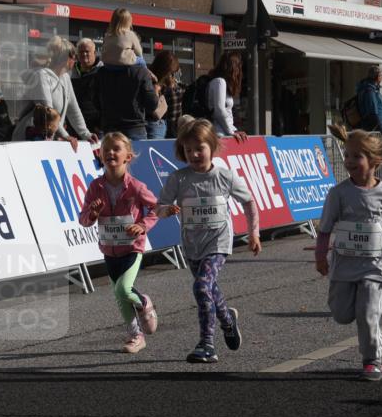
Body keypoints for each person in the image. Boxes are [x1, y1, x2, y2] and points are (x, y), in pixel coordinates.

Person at [156, 119, 261, 363]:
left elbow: (249, 202)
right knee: (209, 289)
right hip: (192, 244)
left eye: (199, 148)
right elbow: (159, 207)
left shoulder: (224, 176)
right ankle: (227, 319)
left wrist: (253, 233)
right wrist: (166, 210)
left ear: (212, 146)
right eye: (188, 149)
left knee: (202, 286)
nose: (194, 154)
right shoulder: (178, 178)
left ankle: (207, 345)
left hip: (218, 242)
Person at [316, 125, 382, 381]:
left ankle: (372, 359)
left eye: (356, 156)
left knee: (367, 314)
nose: (349, 161)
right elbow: (324, 229)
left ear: (374, 161)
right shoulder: (338, 193)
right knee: (341, 314)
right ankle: (371, 337)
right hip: (343, 266)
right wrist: (320, 257)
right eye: (347, 155)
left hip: (373, 267)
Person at [78, 132, 160, 354]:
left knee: (123, 289)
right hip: (109, 249)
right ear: (100, 155)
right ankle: (136, 336)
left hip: (132, 247)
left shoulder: (136, 186)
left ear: (128, 157)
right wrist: (93, 213)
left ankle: (143, 302)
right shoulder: (95, 187)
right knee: (120, 294)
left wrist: (142, 225)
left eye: (116, 149)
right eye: (106, 149)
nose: (111, 153)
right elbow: (83, 219)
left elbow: (157, 208)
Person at [13, 36, 95, 150]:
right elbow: (49, 112)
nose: (76, 60)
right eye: (74, 57)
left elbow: (73, 110)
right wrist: (66, 135)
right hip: (31, 137)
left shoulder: (65, 78)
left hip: (48, 137)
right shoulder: (42, 76)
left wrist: (86, 134)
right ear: (66, 59)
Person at [206, 52, 249, 141]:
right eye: (238, 67)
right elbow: (219, 110)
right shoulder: (220, 82)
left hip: (224, 132)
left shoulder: (220, 82)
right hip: (220, 133)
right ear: (233, 67)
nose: (239, 71)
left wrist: (234, 130)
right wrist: (231, 131)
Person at [71, 38, 104, 134]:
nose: (84, 54)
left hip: (96, 128)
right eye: (81, 52)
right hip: (74, 126)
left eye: (87, 51)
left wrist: (100, 125)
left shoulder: (103, 72)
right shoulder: (71, 72)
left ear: (94, 53)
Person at [150, 51, 182, 138]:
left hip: (164, 128)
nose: (172, 75)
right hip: (158, 128)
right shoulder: (153, 84)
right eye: (171, 73)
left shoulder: (172, 87)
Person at [355, 66, 382, 133]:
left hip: (379, 131)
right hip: (377, 132)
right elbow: (372, 114)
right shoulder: (370, 91)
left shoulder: (372, 90)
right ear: (377, 76)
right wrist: (380, 130)